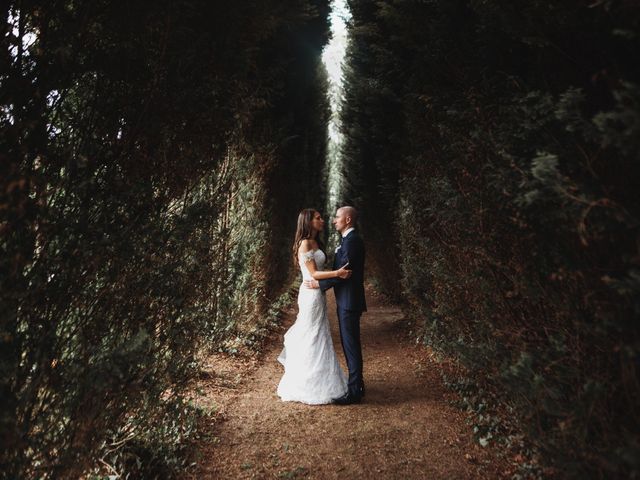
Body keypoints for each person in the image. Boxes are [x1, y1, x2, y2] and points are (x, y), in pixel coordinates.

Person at [276, 209, 352, 404]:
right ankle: (305, 381)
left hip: (317, 293)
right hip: (310, 294)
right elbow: (314, 274)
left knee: (320, 333)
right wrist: (338, 273)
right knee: (311, 333)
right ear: (308, 222)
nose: (322, 220)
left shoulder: (317, 242)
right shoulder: (304, 243)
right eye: (318, 218)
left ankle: (323, 378)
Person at [305, 206, 366, 405]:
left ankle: (355, 391)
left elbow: (344, 272)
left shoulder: (352, 241)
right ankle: (357, 385)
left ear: (348, 220)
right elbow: (340, 272)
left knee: (350, 346)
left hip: (349, 301)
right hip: (347, 300)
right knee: (350, 345)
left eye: (337, 217)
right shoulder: (347, 241)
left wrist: (320, 284)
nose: (333, 221)